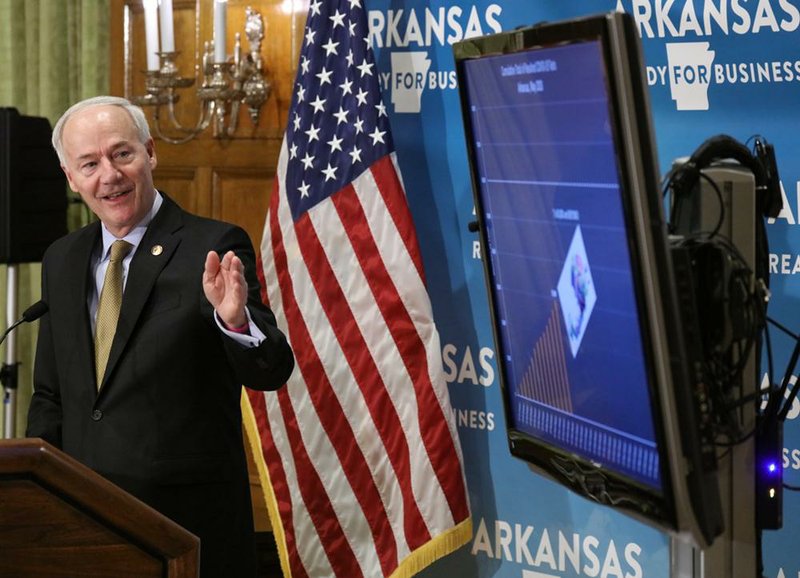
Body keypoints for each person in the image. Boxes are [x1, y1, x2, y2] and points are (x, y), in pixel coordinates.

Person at [26, 95, 295, 578]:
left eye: (121, 154)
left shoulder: (211, 246)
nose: (108, 175)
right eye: (89, 163)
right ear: (71, 178)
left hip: (184, 526)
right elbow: (51, 394)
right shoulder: (61, 258)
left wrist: (235, 322)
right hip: (84, 523)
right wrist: (37, 497)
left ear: (150, 152)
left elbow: (271, 370)